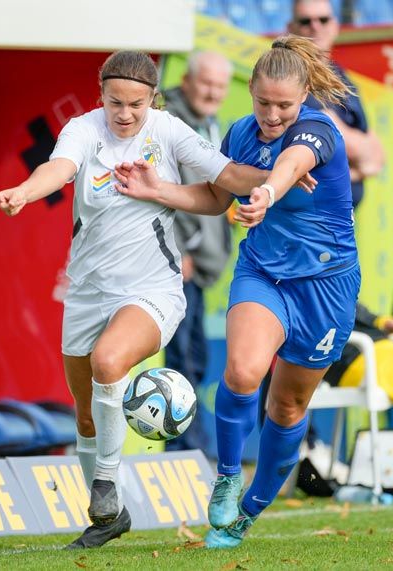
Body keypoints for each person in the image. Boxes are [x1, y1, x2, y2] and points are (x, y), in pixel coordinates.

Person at [0, 50, 305, 549]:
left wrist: (277, 178)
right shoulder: (84, 129)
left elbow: (226, 176)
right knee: (86, 415)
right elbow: (59, 167)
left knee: (109, 361)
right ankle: (106, 516)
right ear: (101, 96)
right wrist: (25, 191)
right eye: (115, 102)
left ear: (152, 99)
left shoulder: (169, 130)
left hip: (153, 288)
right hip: (87, 290)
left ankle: (108, 486)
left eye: (136, 103)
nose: (125, 114)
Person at [113, 36, 360, 549]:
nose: (272, 115)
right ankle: (227, 474)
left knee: (288, 406)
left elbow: (292, 164)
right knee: (244, 371)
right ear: (249, 93)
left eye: (284, 105)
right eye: (263, 102)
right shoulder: (240, 133)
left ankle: (249, 511)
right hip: (263, 271)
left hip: (327, 286)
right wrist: (157, 189)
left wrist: (268, 190)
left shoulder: (319, 130)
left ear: (305, 96)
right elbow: (213, 194)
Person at [163, 51, 234, 450]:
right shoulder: (168, 122)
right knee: (182, 360)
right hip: (177, 263)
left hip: (199, 267)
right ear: (187, 80)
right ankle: (186, 450)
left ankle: (192, 446)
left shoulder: (207, 122)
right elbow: (162, 188)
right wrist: (177, 249)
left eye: (220, 86)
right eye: (206, 83)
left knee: (196, 357)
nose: (212, 92)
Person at [288, 0, 383, 208]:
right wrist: (360, 167)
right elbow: (336, 141)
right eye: (306, 21)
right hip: (307, 219)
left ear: (335, 25)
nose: (316, 26)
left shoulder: (342, 77)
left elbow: (377, 157)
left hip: (337, 223)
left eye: (323, 19)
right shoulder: (291, 78)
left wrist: (345, 136)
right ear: (291, 29)